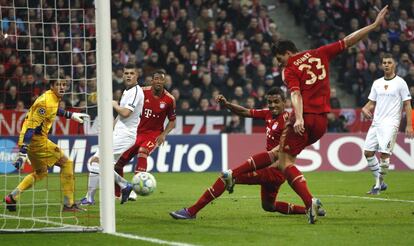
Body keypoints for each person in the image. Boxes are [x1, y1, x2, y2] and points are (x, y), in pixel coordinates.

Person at [259, 6, 389, 224]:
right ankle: (301, 198)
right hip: (321, 123)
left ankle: (310, 202)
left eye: (279, 57)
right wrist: (374, 25)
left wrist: (298, 117)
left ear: (288, 53)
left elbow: (296, 93)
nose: (279, 62)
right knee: (284, 157)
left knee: (284, 162)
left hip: (305, 117)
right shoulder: (320, 53)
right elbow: (349, 40)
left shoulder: (290, 68)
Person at [170, 87, 325, 219]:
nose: (272, 105)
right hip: (272, 170)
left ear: (285, 102)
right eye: (270, 102)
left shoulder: (289, 121)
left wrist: (272, 163)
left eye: (276, 102)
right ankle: (309, 208)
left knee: (226, 178)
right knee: (268, 206)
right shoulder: (268, 114)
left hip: (274, 169)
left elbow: (280, 153)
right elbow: (245, 112)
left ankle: (191, 211)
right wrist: (227, 104)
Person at [4, 79, 89, 212]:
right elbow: (31, 128)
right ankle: (69, 204)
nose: (62, 87)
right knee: (67, 163)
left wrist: (70, 115)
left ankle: (13, 196)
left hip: (32, 140)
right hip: (36, 140)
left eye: (64, 85)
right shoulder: (45, 102)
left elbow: (55, 110)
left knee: (41, 172)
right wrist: (23, 151)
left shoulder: (52, 98)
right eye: (58, 84)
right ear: (52, 86)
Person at [80, 63, 145, 205]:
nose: (128, 76)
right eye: (126, 73)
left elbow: (126, 113)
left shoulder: (135, 92)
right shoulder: (127, 91)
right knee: (97, 161)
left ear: (137, 76)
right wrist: (110, 130)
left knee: (96, 162)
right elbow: (120, 117)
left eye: (131, 73)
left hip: (125, 135)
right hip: (118, 133)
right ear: (123, 75)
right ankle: (121, 187)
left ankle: (92, 197)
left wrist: (114, 104)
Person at [114, 70, 176, 203]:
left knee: (143, 152)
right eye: (156, 79)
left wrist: (163, 134)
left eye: (161, 79)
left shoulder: (170, 100)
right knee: (118, 163)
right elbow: (126, 108)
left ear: (164, 82)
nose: (158, 81)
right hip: (136, 132)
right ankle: (118, 193)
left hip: (153, 135)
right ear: (152, 81)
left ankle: (136, 191)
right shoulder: (141, 92)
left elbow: (172, 121)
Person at [361, 54, 413, 195]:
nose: (386, 65)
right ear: (381, 64)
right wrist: (365, 109)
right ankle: (381, 182)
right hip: (376, 123)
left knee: (384, 154)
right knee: (368, 152)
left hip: (391, 123)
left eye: (389, 62)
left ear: (394, 64)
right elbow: (372, 102)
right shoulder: (377, 83)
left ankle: (377, 186)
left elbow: (407, 104)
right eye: (384, 62)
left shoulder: (400, 83)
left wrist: (409, 125)